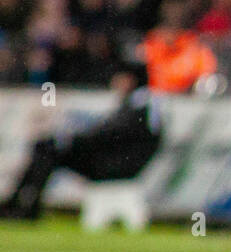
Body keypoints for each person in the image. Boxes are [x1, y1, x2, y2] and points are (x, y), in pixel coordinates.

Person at [0, 60, 160, 219]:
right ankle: (22, 203)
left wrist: (71, 139)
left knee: (49, 150)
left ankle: (24, 205)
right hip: (113, 160)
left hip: (117, 166)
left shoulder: (139, 105)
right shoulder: (138, 104)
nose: (116, 82)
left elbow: (107, 134)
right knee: (47, 147)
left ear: (131, 79)